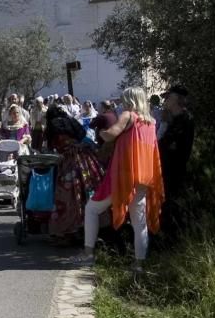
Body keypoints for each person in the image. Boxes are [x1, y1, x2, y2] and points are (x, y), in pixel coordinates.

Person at [83, 87, 164, 272]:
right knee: (139, 223)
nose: (121, 102)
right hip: (143, 177)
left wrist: (102, 133)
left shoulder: (128, 115)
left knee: (92, 209)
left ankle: (87, 255)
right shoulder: (151, 122)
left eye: (124, 98)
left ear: (130, 100)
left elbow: (111, 134)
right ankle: (139, 264)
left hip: (123, 176)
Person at [44, 105, 105, 244]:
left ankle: (68, 231)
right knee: (86, 192)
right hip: (85, 158)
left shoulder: (52, 125)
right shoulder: (71, 120)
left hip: (69, 161)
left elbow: (51, 147)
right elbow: (83, 135)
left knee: (68, 196)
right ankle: (91, 228)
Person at [159, 85, 194, 233]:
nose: (165, 100)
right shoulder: (174, 119)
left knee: (174, 205)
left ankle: (175, 238)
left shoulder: (185, 119)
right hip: (167, 170)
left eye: (168, 97)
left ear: (177, 99)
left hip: (175, 171)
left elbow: (171, 146)